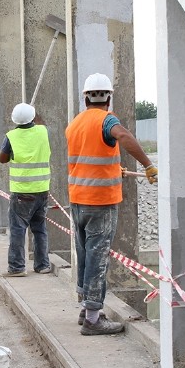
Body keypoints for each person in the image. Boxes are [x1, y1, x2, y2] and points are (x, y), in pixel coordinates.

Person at [66, 74, 158, 336]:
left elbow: (88, 158)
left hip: (77, 199)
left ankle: (86, 308)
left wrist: (112, 169)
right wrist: (148, 165)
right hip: (101, 202)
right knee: (98, 257)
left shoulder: (75, 124)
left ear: (85, 97)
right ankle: (93, 319)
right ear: (108, 96)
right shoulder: (108, 120)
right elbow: (123, 135)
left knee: (84, 253)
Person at [0, 102, 51, 277]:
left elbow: (2, 159)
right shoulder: (43, 131)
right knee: (40, 228)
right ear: (33, 117)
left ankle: (17, 267)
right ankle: (42, 265)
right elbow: (39, 122)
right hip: (42, 189)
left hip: (22, 191)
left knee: (18, 229)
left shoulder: (11, 136)